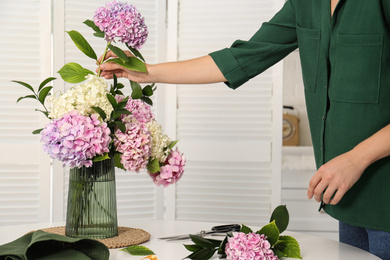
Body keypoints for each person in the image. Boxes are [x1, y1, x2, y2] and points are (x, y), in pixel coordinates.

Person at [97, 0, 390, 258]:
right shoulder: (306, 4)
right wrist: (144, 71)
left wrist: (356, 159)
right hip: (349, 200)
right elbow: (241, 58)